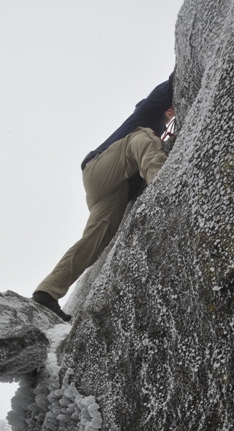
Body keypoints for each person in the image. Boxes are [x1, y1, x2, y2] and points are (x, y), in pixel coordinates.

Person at [33, 74, 174, 322]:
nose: (170, 113)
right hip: (100, 170)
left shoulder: (156, 126)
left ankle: (47, 292)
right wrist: (176, 78)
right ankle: (167, 188)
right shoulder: (145, 115)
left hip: (110, 188)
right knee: (142, 136)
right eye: (168, 111)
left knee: (97, 237)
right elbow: (164, 90)